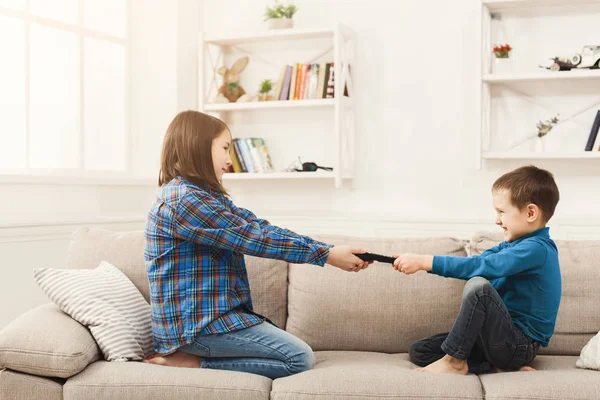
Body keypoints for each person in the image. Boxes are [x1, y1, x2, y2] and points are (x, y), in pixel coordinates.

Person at [143, 110, 370, 379]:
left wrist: (327, 250)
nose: (229, 160)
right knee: (298, 359)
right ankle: (188, 362)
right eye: (225, 148)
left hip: (214, 322)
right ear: (198, 145)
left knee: (296, 355)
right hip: (195, 328)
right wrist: (326, 255)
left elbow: (257, 227)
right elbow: (254, 239)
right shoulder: (183, 200)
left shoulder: (205, 195)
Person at [393, 165, 561, 375]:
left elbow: (483, 267)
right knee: (420, 351)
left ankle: (454, 362)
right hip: (492, 341)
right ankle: (493, 367)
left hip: (518, 345)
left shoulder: (536, 249)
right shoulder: (514, 245)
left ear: (530, 212)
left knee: (479, 288)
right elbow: (483, 260)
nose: (497, 220)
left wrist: (424, 262)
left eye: (502, 211)